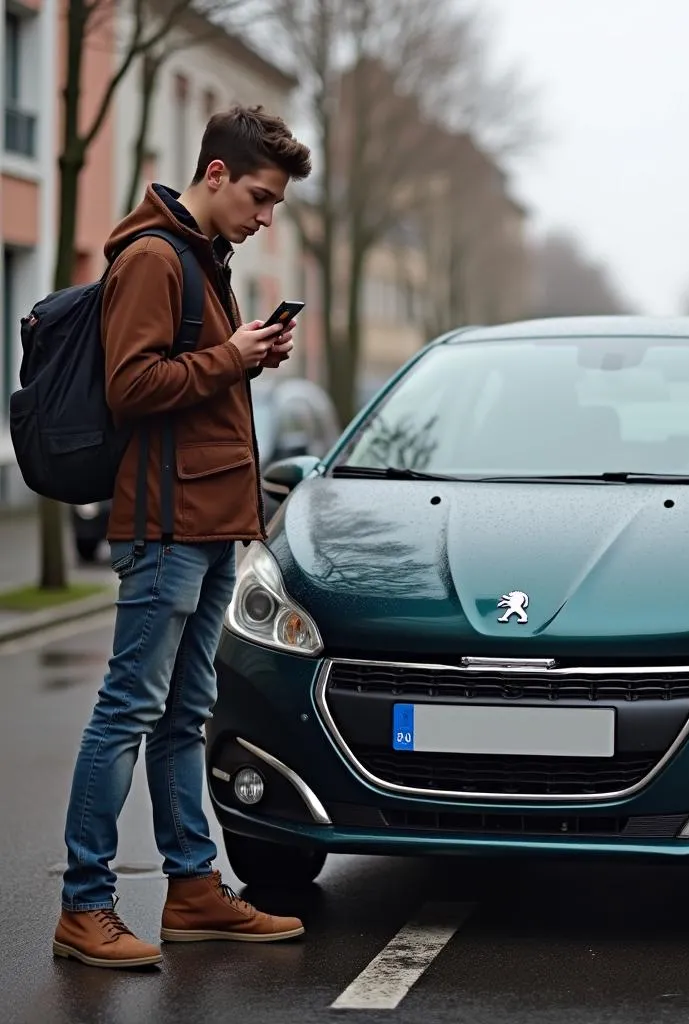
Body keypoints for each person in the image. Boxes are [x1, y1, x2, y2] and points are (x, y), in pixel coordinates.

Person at [53, 105, 312, 970]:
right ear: (214, 175)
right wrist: (232, 359)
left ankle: (194, 890)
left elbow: (189, 378)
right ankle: (84, 906)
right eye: (261, 197)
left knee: (185, 716)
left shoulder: (205, 260)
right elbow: (132, 385)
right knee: (126, 712)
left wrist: (244, 354)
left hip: (208, 522)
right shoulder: (156, 258)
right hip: (164, 526)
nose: (266, 215)